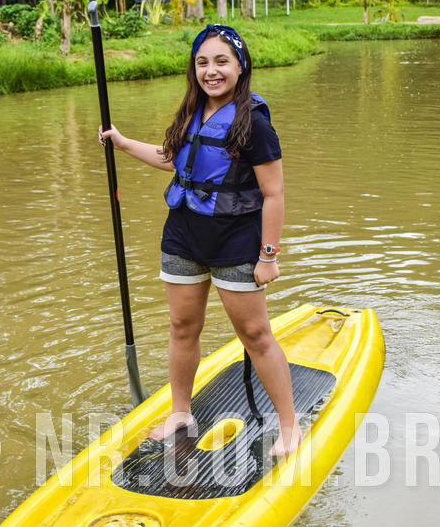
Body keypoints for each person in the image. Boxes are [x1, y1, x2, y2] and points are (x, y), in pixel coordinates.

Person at [99, 24, 301, 459]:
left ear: (241, 66)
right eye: (202, 62)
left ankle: (289, 425)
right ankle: (180, 413)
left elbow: (274, 194)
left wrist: (268, 255)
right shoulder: (192, 110)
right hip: (182, 237)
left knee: (255, 334)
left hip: (235, 241)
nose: (211, 71)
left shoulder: (255, 123)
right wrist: (122, 143)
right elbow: (174, 159)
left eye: (222, 61)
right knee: (182, 327)